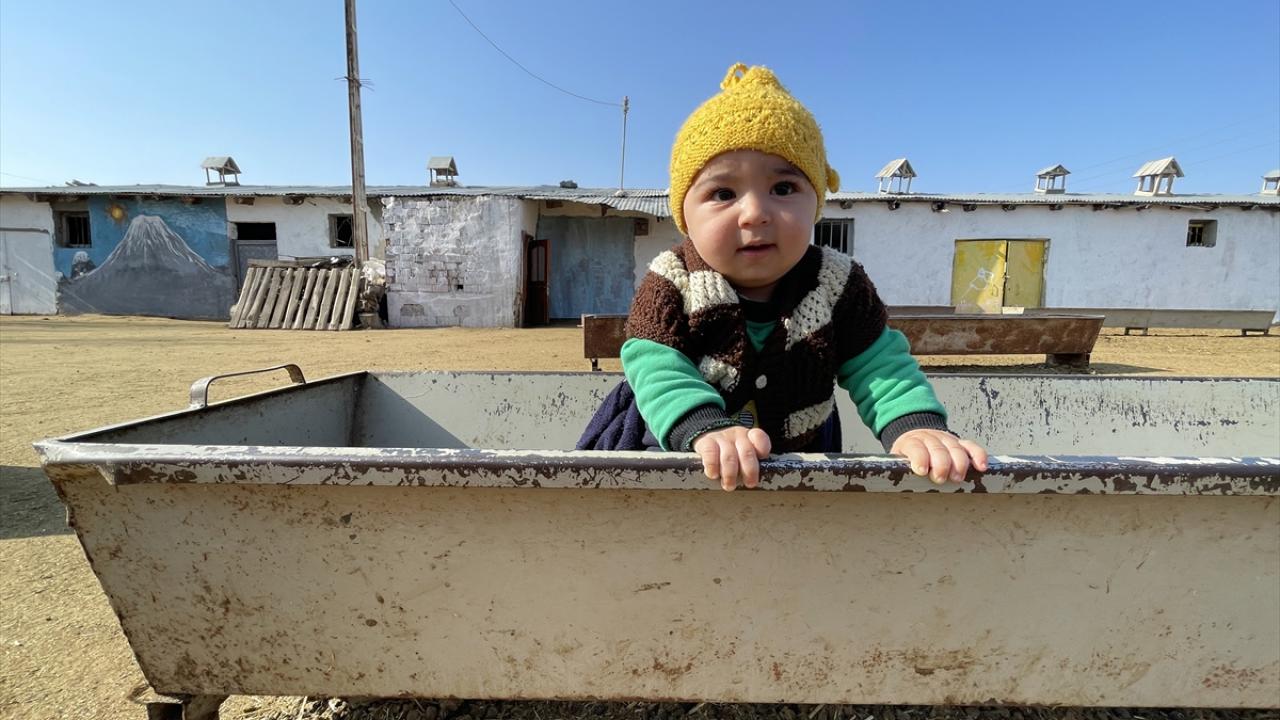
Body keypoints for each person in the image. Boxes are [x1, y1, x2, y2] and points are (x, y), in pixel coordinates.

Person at [578, 62, 988, 491]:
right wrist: (703, 426)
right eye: (723, 194)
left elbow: (879, 365)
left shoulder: (836, 283)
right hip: (671, 455)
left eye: (783, 189)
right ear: (684, 216)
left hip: (797, 464)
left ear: (816, 203)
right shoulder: (673, 280)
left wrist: (914, 425)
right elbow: (656, 364)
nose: (755, 213)